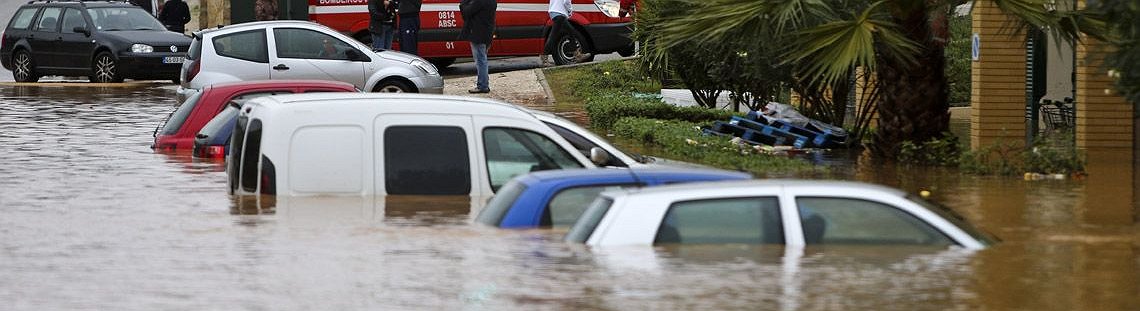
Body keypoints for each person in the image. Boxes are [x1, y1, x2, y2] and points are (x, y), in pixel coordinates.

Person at [459, 0, 496, 93]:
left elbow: (467, 12)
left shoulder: (479, 1)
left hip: (478, 33)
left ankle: (483, 85)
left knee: (480, 60)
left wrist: (463, 3)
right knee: (483, 59)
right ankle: (483, 83)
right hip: (487, 33)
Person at [540, 0, 588, 66]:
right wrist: (570, 11)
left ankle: (577, 55)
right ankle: (544, 59)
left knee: (571, 32)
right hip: (559, 13)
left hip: (554, 12)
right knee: (554, 36)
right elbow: (566, 2)